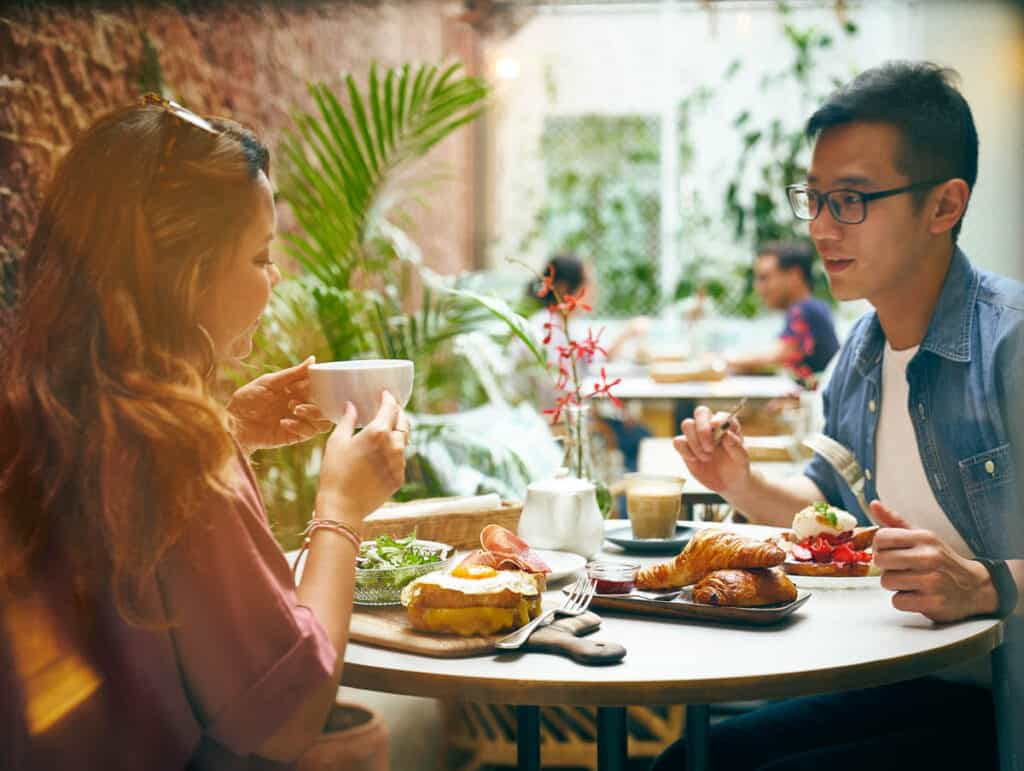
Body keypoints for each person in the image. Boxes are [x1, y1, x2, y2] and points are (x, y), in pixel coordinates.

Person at [0, 95, 408, 769]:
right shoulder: (176, 454)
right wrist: (341, 508)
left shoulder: (39, 411)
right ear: (189, 278)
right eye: (259, 257)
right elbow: (290, 715)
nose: (275, 279)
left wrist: (228, 429)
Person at [656, 62, 1023, 770]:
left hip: (1005, 703)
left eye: (851, 200)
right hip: (911, 674)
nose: (821, 229)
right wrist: (739, 480)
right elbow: (828, 502)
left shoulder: (1007, 343)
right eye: (815, 199)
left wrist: (984, 585)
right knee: (693, 758)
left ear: (945, 206)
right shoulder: (861, 351)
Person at [525, 254, 650, 472]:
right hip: (561, 424)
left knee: (638, 434)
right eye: (588, 282)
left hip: (571, 416)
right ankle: (628, 504)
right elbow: (559, 392)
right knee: (641, 440)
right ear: (564, 289)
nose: (593, 289)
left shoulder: (560, 324)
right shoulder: (547, 330)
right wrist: (601, 415)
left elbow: (591, 363)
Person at [726, 240, 840, 383]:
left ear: (794, 276)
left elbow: (778, 354)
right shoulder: (810, 308)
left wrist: (722, 360)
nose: (757, 287)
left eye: (764, 278)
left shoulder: (805, 309)